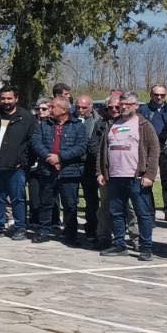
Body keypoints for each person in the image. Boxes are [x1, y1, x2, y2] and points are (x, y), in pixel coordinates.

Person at [95, 92, 160, 261]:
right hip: (114, 177)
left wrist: (150, 174)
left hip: (136, 178)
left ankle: (146, 247)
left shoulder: (144, 125)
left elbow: (154, 150)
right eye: (121, 104)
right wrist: (100, 172)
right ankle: (119, 244)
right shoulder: (112, 124)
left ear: (136, 106)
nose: (123, 107)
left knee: (142, 214)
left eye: (127, 104)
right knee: (116, 212)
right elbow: (102, 150)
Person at [30, 97, 88, 244]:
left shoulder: (77, 126)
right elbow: (36, 143)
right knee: (46, 202)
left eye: (53, 107)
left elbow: (81, 147)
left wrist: (60, 157)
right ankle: (44, 231)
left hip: (69, 171)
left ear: (64, 110)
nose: (50, 109)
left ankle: (70, 235)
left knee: (70, 204)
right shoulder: (44, 125)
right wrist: (49, 157)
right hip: (47, 170)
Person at [0, 87, 34, 240]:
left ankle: (20, 228)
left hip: (16, 168)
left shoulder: (26, 118)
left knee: (18, 199)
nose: (6, 101)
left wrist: (24, 162)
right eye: (3, 98)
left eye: (9, 98)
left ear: (16, 99)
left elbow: (32, 143)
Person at [143, 86, 167, 224]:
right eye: (156, 94)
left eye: (162, 95)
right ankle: (149, 211)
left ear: (166, 95)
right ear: (151, 95)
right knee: (147, 180)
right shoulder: (143, 110)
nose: (159, 97)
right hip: (148, 150)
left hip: (166, 149)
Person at [75, 95, 104, 246]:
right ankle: (70, 229)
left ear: (91, 107)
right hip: (72, 164)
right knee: (71, 200)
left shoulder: (98, 122)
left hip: (90, 165)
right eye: (78, 107)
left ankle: (92, 229)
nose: (80, 110)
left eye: (84, 107)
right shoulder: (71, 119)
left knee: (91, 200)